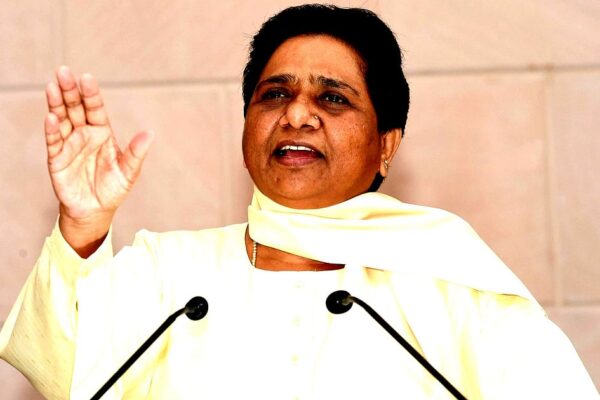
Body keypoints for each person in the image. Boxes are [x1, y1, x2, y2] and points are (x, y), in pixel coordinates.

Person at [0, 4, 597, 400]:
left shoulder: (452, 281)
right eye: (274, 95)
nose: (296, 115)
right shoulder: (170, 270)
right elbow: (67, 376)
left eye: (333, 99)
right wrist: (83, 225)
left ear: (386, 145)